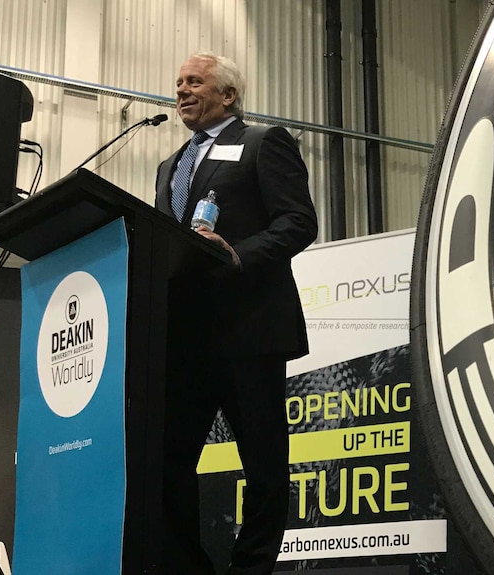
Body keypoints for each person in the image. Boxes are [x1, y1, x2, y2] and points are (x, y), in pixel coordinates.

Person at [154, 51, 317, 575]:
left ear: (227, 95)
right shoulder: (170, 166)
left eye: (195, 82)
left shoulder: (262, 142)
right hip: (181, 341)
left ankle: (251, 569)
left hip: (248, 333)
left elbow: (297, 222)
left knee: (264, 467)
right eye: (179, 82)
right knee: (163, 464)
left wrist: (238, 254)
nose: (182, 90)